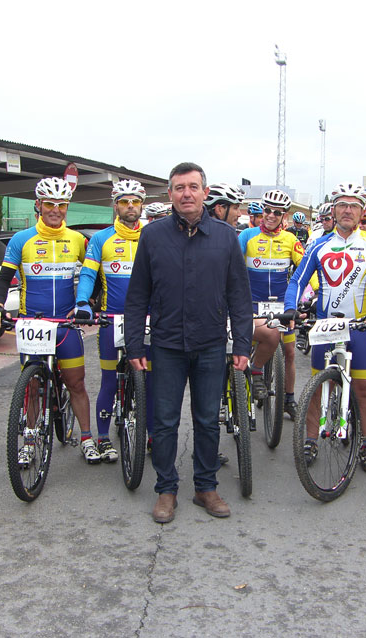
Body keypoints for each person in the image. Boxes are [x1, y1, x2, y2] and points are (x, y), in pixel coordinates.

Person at [125, 162, 252, 523]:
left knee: (208, 420)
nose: (186, 194)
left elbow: (239, 297)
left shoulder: (226, 237)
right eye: (179, 187)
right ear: (169, 194)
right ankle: (166, 490)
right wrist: (135, 345)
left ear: (204, 193)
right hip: (165, 345)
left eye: (193, 187)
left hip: (211, 344)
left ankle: (205, 488)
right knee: (164, 422)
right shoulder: (153, 236)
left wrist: (242, 344)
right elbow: (137, 296)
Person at [285, 182, 366, 474]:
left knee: (364, 389)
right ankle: (311, 438)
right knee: (320, 386)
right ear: (333, 210)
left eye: (354, 205)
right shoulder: (318, 245)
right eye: (342, 205)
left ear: (363, 211)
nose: (348, 210)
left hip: (360, 327)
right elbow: (298, 280)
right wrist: (290, 307)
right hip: (326, 325)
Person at [0, 178, 97, 462]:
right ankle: (30, 441)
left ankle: (86, 438)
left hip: (66, 326)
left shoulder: (77, 240)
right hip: (33, 325)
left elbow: (94, 273)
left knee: (76, 384)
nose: (55, 210)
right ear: (39, 205)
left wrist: (90, 301)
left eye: (61, 205)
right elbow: (2, 280)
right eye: (50, 204)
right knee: (31, 386)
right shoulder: (21, 240)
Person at [74, 180, 152, 463]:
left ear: (141, 205)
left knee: (150, 380)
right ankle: (104, 438)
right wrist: (83, 302)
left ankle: (153, 435)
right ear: (115, 205)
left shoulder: (153, 235)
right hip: (110, 319)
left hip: (147, 320)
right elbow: (87, 275)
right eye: (123, 201)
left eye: (134, 201)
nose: (130, 206)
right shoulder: (100, 239)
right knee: (109, 380)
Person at [238, 189, 305, 418]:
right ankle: (247, 381)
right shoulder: (247, 236)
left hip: (281, 305)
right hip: (253, 303)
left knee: (289, 352)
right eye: (267, 210)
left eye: (277, 212)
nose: (271, 215)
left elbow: (305, 270)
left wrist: (315, 292)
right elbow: (233, 267)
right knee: (253, 342)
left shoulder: (291, 240)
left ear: (283, 216)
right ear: (261, 211)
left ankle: (288, 399)